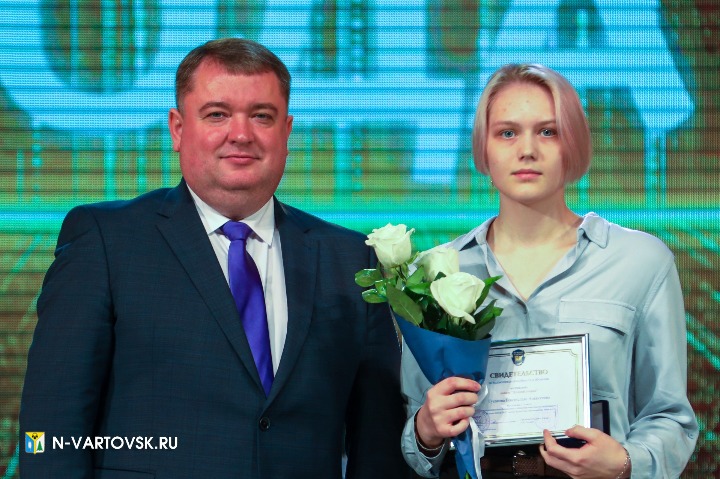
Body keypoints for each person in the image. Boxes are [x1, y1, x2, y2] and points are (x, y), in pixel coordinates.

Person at [20, 38, 410, 479]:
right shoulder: (106, 240)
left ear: (287, 132)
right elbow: (49, 432)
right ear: (177, 129)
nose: (241, 134)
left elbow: (379, 446)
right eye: (217, 114)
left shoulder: (349, 258)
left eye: (261, 116)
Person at [400, 64, 698, 478]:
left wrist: (625, 464)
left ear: (573, 144)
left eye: (548, 131)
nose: (527, 150)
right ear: (483, 149)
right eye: (507, 133)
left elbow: (670, 416)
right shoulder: (436, 272)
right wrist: (425, 432)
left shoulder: (641, 261)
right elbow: (415, 426)